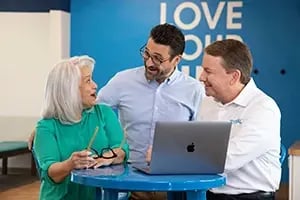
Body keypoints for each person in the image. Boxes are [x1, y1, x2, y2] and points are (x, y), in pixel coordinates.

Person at [97, 23, 204, 200]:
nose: (149, 62)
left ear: (176, 60)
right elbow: (93, 113)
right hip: (130, 185)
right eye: (146, 53)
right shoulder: (122, 81)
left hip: (175, 187)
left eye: (157, 58)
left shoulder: (194, 90)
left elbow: (200, 140)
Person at [33, 55, 129, 200]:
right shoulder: (46, 127)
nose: (95, 85)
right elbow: (51, 173)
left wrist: (110, 157)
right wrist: (70, 164)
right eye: (88, 81)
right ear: (69, 89)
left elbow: (122, 148)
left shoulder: (104, 113)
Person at [197, 39, 281, 200]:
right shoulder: (207, 103)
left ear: (234, 76)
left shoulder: (263, 108)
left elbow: (227, 159)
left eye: (208, 71)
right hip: (208, 194)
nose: (201, 77)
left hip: (249, 197)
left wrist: (175, 159)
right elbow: (194, 146)